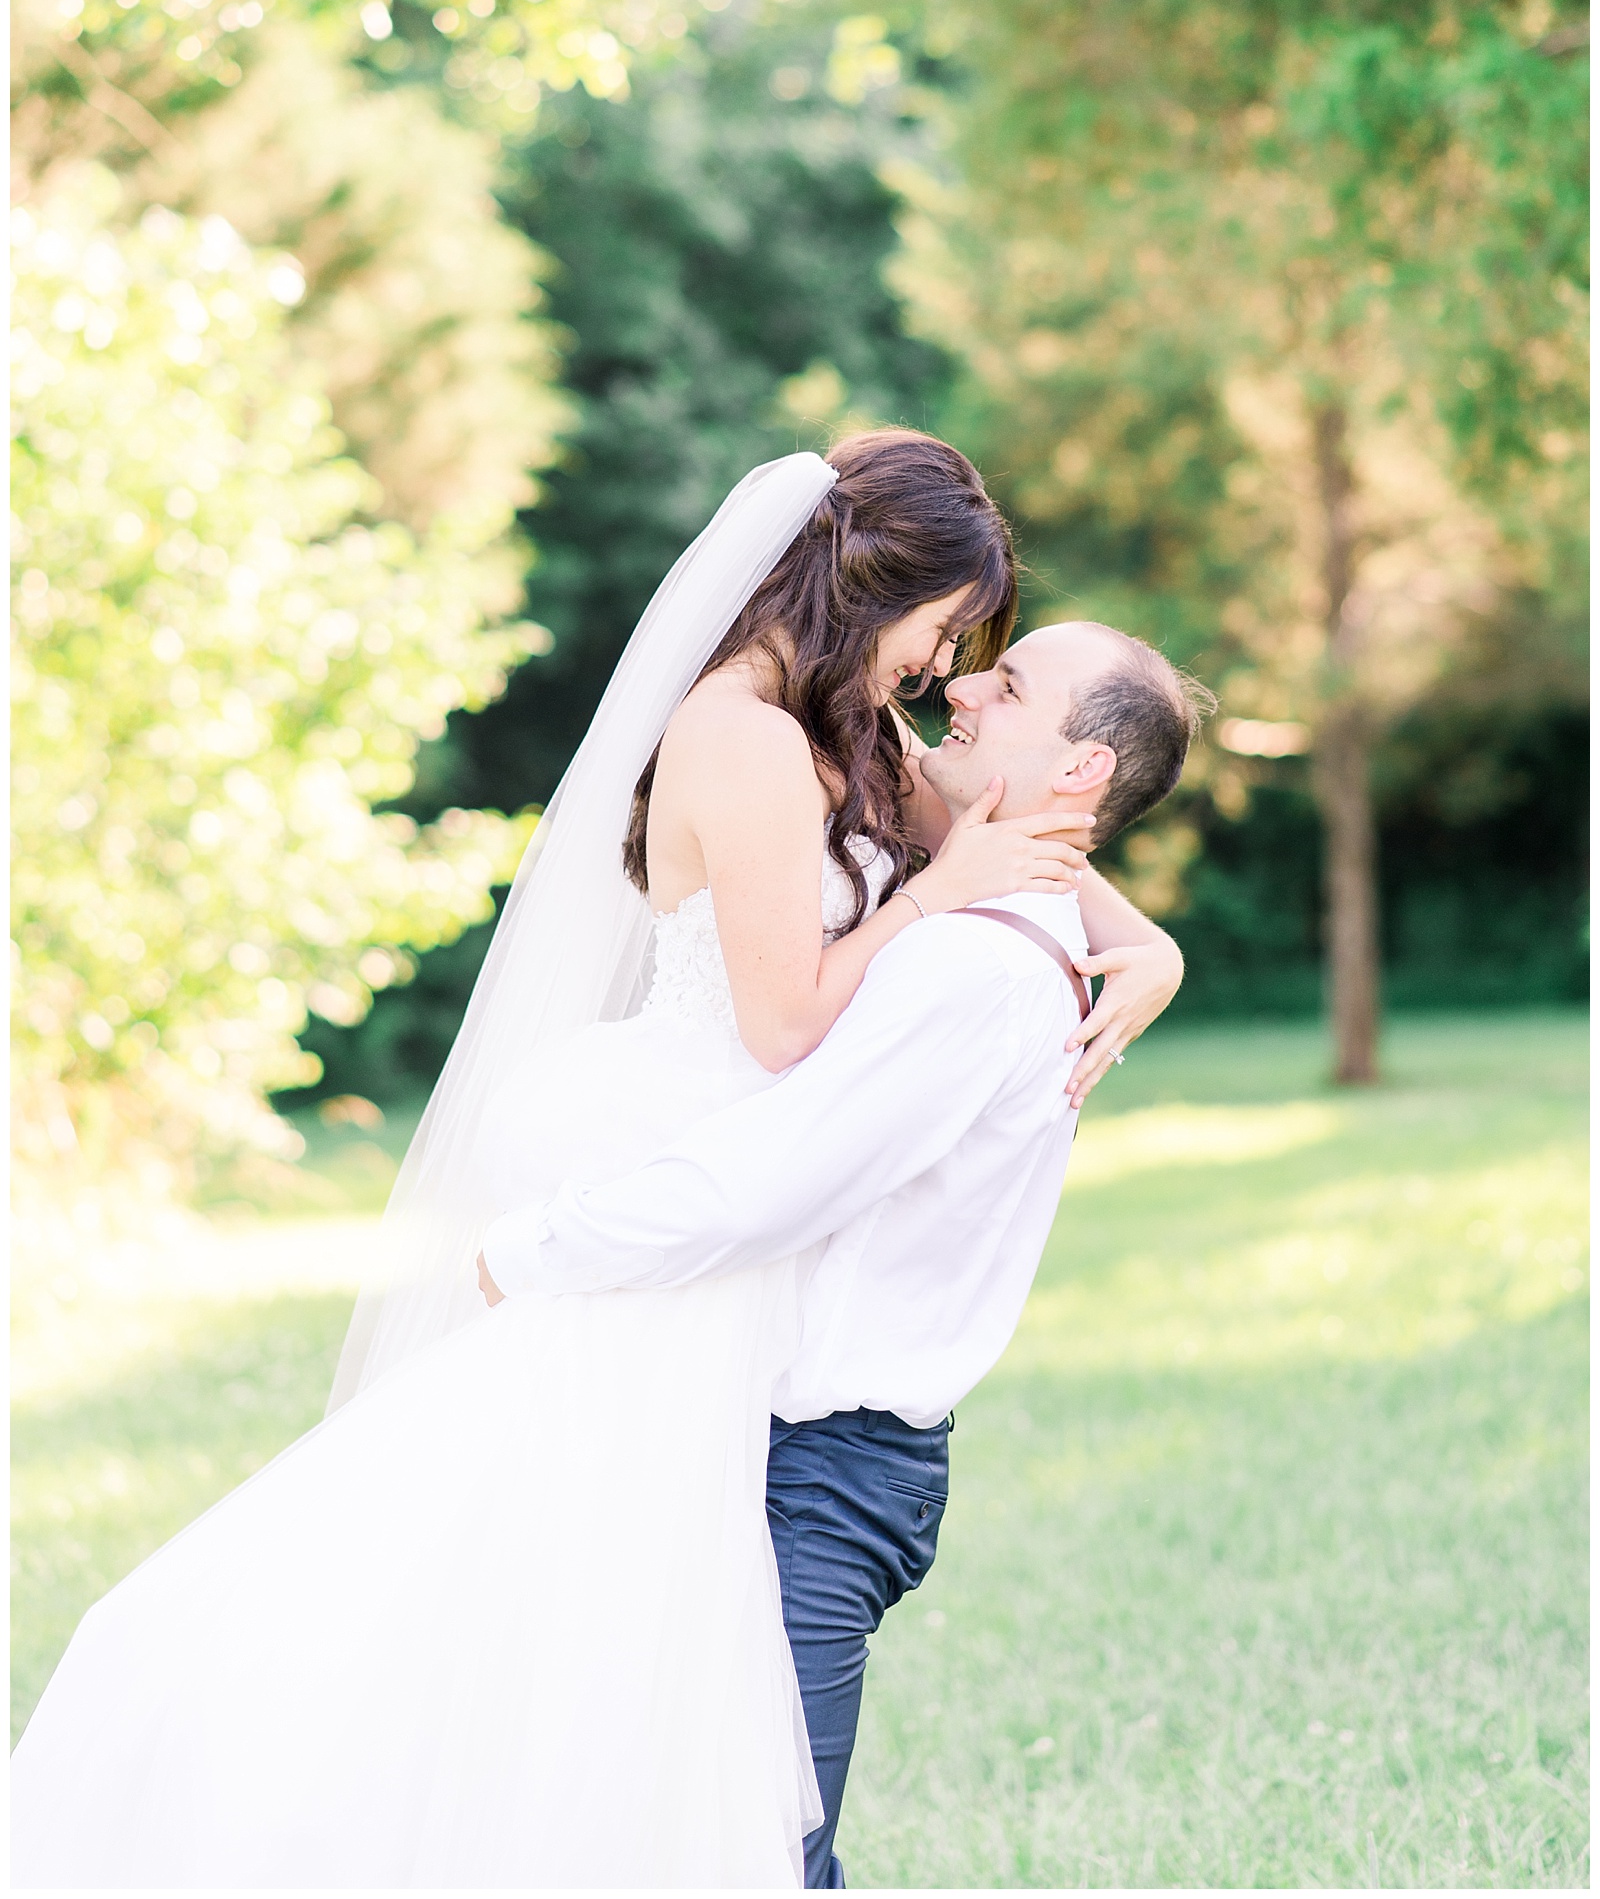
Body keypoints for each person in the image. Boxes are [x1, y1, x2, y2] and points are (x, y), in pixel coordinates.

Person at [11, 436, 1184, 1890]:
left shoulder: (856, 729)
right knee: (522, 1654)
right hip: (687, 1215)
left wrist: (1150, 943)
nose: (946, 673)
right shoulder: (749, 735)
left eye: (981, 663)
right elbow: (785, 1025)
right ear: (873, 585)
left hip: (737, 1276)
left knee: (656, 1725)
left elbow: (1038, 826)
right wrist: (940, 891)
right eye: (950, 635)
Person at [478, 616, 1211, 1886]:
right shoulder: (994, 916)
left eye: (1010, 681)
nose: (963, 686)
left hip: (821, 1471)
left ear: (1081, 767)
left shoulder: (978, 966)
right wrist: (1154, 941)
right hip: (789, 1445)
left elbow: (768, 1182)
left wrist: (529, 1249)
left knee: (758, 1853)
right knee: (671, 1832)